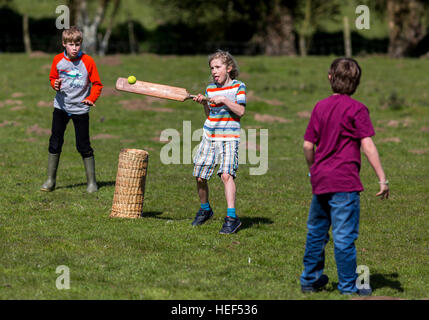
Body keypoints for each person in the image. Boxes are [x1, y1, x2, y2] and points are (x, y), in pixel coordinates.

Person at [300, 57, 389, 295]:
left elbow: (308, 145)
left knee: (317, 231)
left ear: (330, 78)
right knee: (344, 236)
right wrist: (382, 177)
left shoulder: (319, 107)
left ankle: (309, 280)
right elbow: (367, 145)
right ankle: (348, 286)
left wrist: (313, 168)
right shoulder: (357, 109)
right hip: (345, 183)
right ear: (357, 83)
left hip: (320, 181)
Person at [40, 26, 103, 193]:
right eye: (71, 44)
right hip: (60, 107)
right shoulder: (57, 60)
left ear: (80, 43)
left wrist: (91, 99)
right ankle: (50, 180)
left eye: (77, 44)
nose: (74, 48)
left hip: (81, 109)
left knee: (83, 145)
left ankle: (91, 183)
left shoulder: (88, 61)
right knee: (55, 142)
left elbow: (97, 84)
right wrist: (54, 84)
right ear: (63, 44)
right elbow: (53, 77)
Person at [192, 50, 246, 234]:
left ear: (229, 68)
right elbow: (210, 115)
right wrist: (205, 103)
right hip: (210, 136)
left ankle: (232, 217)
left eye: (218, 67)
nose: (214, 71)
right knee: (200, 176)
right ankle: (205, 209)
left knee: (226, 175)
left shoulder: (239, 87)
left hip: (229, 137)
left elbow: (240, 111)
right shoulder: (210, 89)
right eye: (212, 68)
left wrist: (223, 100)